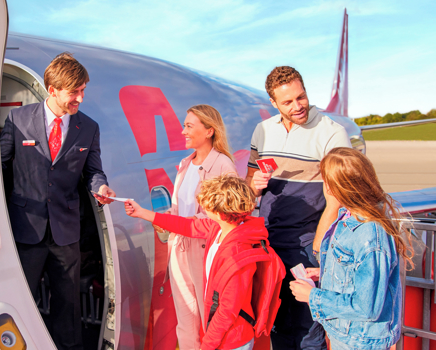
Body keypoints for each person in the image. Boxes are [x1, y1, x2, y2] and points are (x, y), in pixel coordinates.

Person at [0, 52, 116, 350]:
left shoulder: (88, 128)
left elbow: (93, 171)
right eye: (74, 92)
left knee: (69, 304)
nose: (80, 98)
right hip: (26, 229)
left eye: (83, 91)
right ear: (53, 90)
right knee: (21, 298)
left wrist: (100, 187)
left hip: (65, 232)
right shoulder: (18, 120)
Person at [245, 66, 351, 349]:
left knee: (308, 329)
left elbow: (337, 198)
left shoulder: (331, 133)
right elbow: (249, 184)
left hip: (307, 244)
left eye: (300, 97)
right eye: (288, 102)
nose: (298, 106)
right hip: (269, 243)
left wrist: (318, 247)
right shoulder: (263, 131)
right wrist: (255, 184)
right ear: (273, 103)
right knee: (277, 323)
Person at [126, 175, 284, 350]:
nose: (204, 208)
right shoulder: (218, 228)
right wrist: (142, 213)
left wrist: (207, 345)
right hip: (221, 335)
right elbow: (185, 225)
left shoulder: (237, 254)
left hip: (231, 341)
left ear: (219, 213)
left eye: (207, 205)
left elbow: (227, 310)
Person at [289, 147, 413, 350]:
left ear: (337, 188)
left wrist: (312, 296)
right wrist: (328, 273)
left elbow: (367, 308)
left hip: (360, 340)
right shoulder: (349, 216)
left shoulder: (370, 235)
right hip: (347, 334)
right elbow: (358, 274)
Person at [164, 104, 238, 350]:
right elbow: (180, 208)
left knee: (211, 320)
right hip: (180, 247)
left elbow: (226, 216)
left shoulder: (223, 166)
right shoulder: (185, 164)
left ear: (209, 131)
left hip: (206, 251)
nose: (183, 131)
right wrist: (169, 218)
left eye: (189, 126)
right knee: (185, 322)